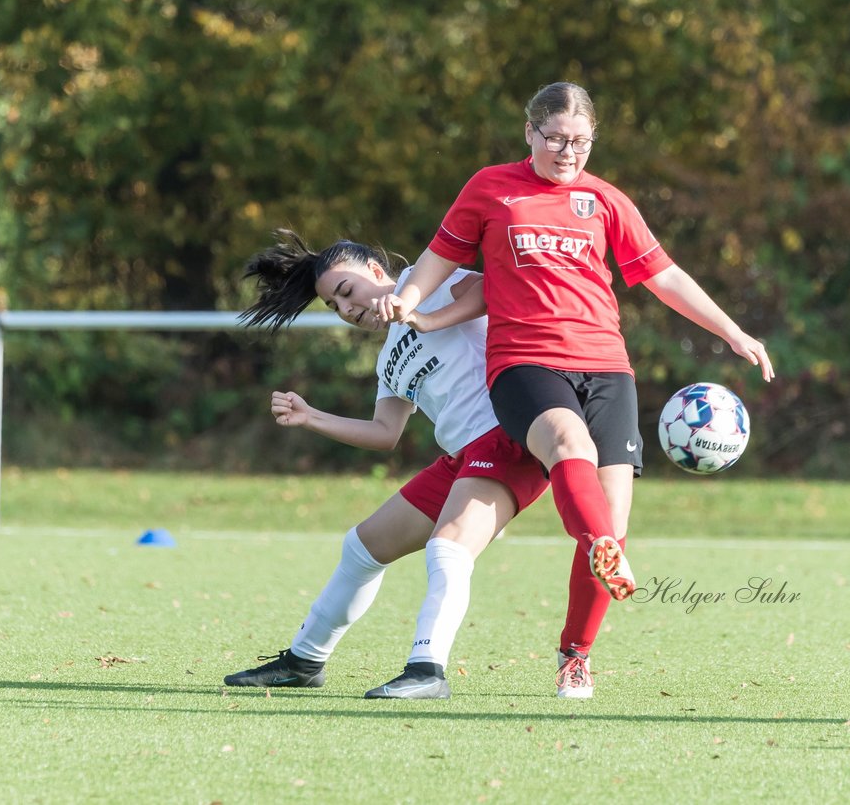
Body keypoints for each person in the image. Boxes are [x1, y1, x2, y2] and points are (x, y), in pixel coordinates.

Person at [376, 81, 775, 641]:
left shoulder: (606, 200)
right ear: (529, 132)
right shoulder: (491, 188)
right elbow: (437, 258)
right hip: (525, 364)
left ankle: (576, 654)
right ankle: (599, 547)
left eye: (581, 142)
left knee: (614, 518)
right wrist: (408, 300)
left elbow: (664, 275)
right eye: (556, 139)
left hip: (607, 367)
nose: (568, 152)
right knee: (570, 445)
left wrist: (732, 332)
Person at [223, 229, 613, 699]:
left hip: (510, 438)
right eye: (334, 306)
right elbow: (385, 433)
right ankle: (306, 660)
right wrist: (312, 417)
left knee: (447, 549)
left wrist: (424, 314)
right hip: (462, 456)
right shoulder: (389, 357)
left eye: (346, 292)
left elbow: (497, 290)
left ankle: (427, 670)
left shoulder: (435, 282)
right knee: (362, 548)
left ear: (374, 270)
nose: (347, 310)